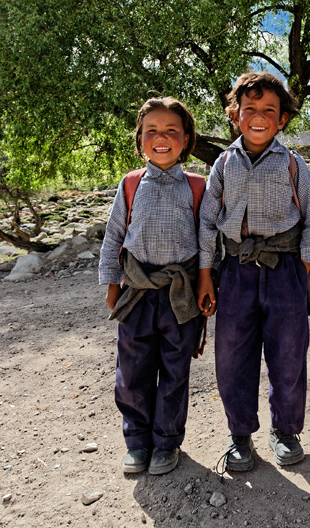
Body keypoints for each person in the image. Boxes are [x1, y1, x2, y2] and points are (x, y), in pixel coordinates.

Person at [196, 71, 310, 472]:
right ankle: (240, 435)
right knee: (232, 355)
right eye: (249, 109)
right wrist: (206, 273)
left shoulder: (293, 164)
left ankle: (285, 431)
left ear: (283, 118)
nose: (258, 116)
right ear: (235, 115)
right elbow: (207, 220)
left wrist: (301, 269)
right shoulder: (221, 164)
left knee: (288, 355)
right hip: (235, 272)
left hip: (285, 271)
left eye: (269, 110)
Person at [98, 97, 206, 476]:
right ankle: (137, 441)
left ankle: (166, 443)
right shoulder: (130, 184)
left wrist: (208, 285)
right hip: (137, 293)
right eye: (152, 132)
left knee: (175, 372)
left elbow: (209, 242)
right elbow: (114, 236)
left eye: (172, 131)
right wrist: (111, 284)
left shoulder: (197, 187)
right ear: (140, 139)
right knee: (132, 370)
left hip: (181, 295)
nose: (162, 138)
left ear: (187, 139)